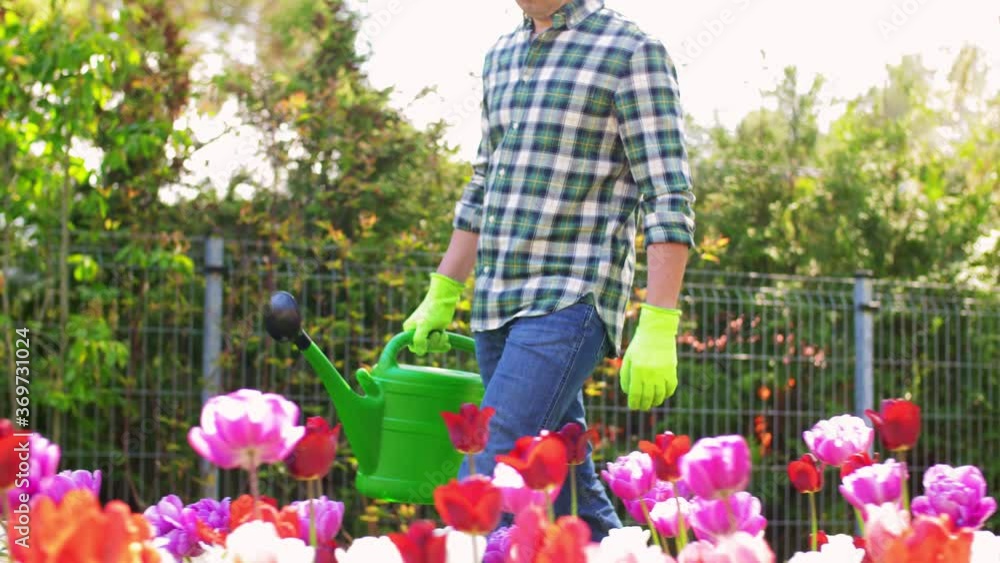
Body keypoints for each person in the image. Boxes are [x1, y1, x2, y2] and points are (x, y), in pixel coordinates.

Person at [402, 0, 695, 540]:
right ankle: (623, 552)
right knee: (569, 484)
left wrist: (659, 320)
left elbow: (668, 193)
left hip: (570, 300)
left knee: (490, 471)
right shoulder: (501, 56)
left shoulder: (632, 51)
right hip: (496, 304)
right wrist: (444, 288)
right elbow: (483, 183)